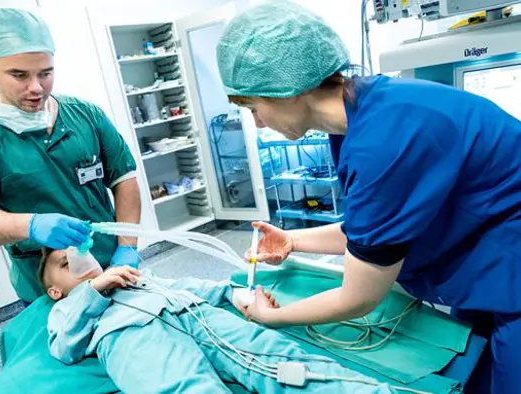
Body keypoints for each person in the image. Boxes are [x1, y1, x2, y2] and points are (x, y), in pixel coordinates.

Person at [216, 2, 521, 393]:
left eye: (254, 107)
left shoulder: (383, 140)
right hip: (487, 264)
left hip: (507, 266)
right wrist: (294, 240)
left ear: (286, 90)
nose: (258, 122)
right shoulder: (366, 110)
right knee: (469, 364)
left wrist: (273, 318)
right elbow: (374, 228)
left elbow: (359, 298)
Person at [0, 8, 141, 303]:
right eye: (19, 75)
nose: (36, 88)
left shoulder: (86, 116)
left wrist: (128, 247)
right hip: (49, 288)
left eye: (45, 73)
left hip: (113, 265)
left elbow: (125, 180)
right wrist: (31, 225)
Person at [39, 247, 395, 394]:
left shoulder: (136, 276)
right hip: (131, 337)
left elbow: (191, 285)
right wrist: (95, 290)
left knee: (277, 356)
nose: (77, 257)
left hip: (194, 314)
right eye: (65, 264)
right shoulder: (65, 308)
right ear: (55, 291)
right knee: (184, 387)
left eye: (78, 253)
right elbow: (64, 346)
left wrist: (234, 294)